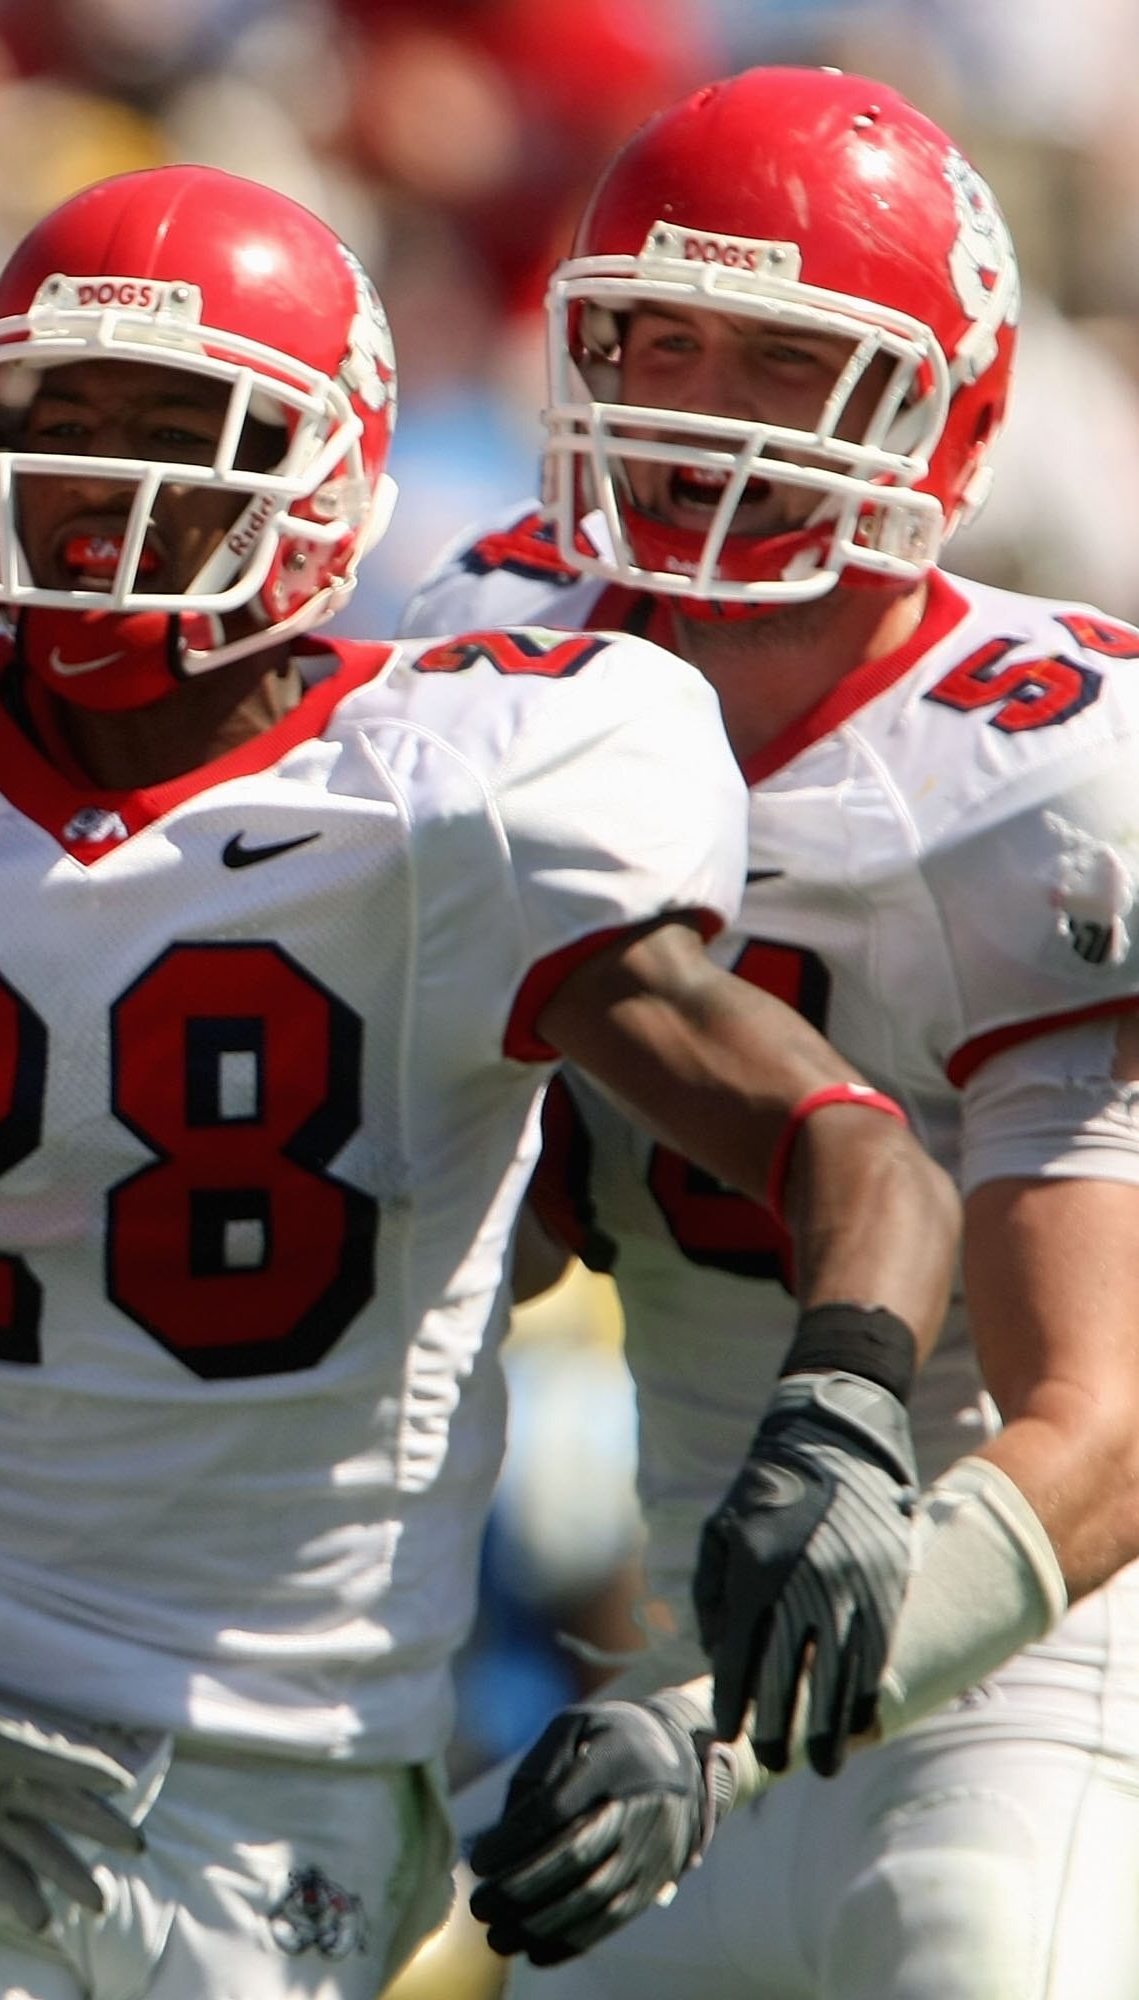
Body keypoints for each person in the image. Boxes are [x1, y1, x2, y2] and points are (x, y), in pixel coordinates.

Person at [0, 162, 964, 2000]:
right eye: (68, 420)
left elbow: (848, 1145)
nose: (112, 481)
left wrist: (843, 1400)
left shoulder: (460, 788)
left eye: (184, 424)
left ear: (324, 470)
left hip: (290, 1740)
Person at [408, 70, 1139, 1994]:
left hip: (1027, 1664)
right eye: (663, 339)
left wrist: (718, 1735)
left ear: (937, 410)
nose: (700, 410)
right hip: (670, 1663)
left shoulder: (1045, 769)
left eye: (781, 363)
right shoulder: (493, 668)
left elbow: (1115, 1424)